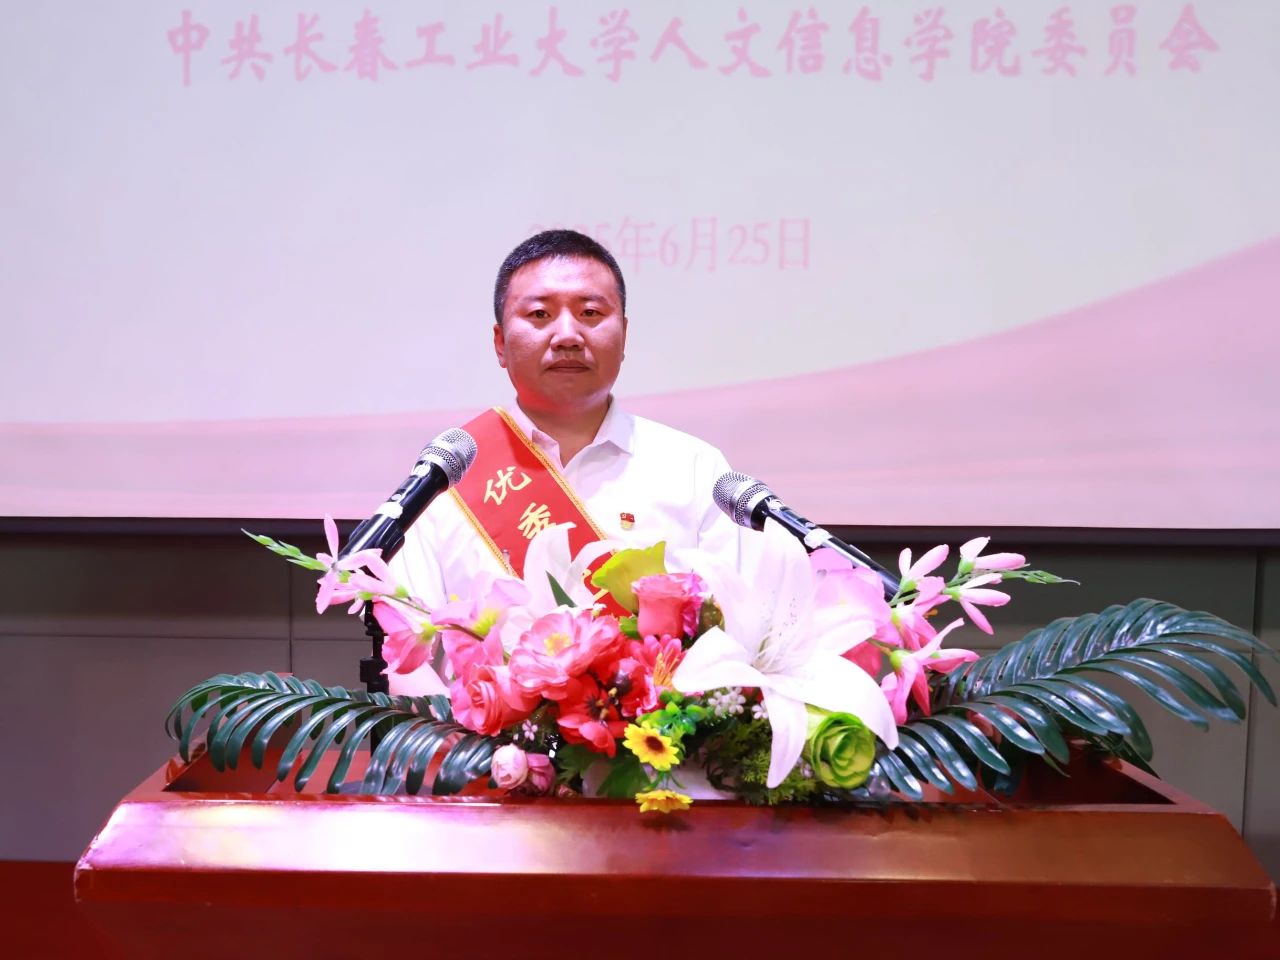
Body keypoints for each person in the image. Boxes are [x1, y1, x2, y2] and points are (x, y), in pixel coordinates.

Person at [389, 229, 751, 614]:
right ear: (500, 343)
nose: (567, 336)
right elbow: (408, 638)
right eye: (539, 314)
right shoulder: (447, 477)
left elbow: (735, 622)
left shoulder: (695, 469)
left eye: (590, 313)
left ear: (624, 335)